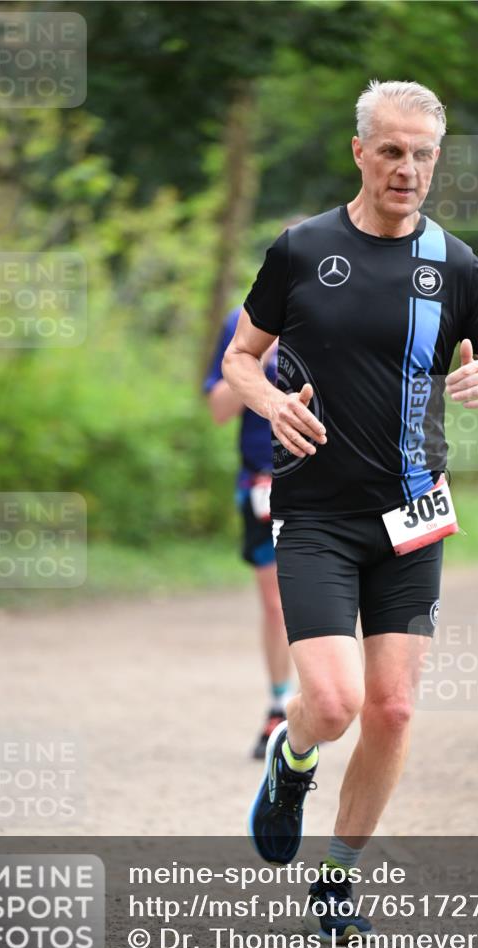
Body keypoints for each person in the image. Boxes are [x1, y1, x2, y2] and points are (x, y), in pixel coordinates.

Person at [222, 79, 478, 942]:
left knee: (393, 710)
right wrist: (268, 402)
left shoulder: (455, 265)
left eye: (423, 154)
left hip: (412, 517)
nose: (408, 169)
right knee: (333, 704)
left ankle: (336, 878)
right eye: (393, 151)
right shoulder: (301, 249)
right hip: (316, 515)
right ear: (359, 152)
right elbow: (240, 359)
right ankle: (293, 761)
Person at [204, 307, 292, 759]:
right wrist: (255, 359)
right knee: (277, 605)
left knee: (329, 598)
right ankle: (280, 706)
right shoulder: (242, 322)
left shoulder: (342, 311)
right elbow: (218, 410)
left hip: (329, 485)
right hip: (262, 483)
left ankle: (325, 700)